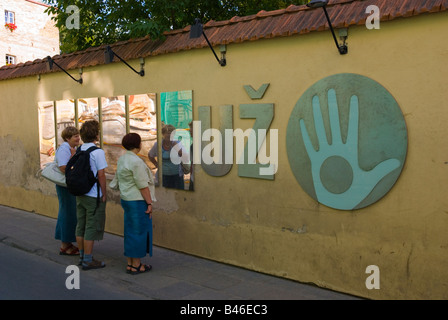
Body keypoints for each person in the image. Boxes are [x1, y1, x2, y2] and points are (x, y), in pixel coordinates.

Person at [110, 133, 156, 275]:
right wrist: (149, 203)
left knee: (130, 231)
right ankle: (136, 265)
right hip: (137, 200)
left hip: (126, 199)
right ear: (139, 144)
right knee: (139, 232)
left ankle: (130, 263)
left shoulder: (123, 159)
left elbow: (117, 180)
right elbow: (143, 185)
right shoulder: (136, 162)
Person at [75, 120, 108, 270]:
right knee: (91, 226)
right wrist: (104, 193)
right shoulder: (97, 152)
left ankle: (82, 256)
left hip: (80, 192)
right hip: (93, 195)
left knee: (81, 224)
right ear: (96, 134)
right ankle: (88, 259)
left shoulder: (80, 149)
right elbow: (101, 175)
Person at [55, 126, 81, 255]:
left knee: (69, 212)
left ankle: (67, 243)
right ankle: (64, 244)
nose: (78, 138)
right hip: (65, 185)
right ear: (67, 138)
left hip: (69, 185)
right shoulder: (65, 149)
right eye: (75, 136)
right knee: (67, 212)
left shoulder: (71, 148)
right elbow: (63, 167)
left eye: (78, 135)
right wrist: (73, 157)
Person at [148, 124, 185, 190]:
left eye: (172, 134)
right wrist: (156, 164)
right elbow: (150, 155)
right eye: (168, 134)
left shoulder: (177, 143)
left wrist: (176, 148)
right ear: (163, 134)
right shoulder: (158, 145)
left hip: (177, 176)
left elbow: (184, 157)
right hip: (164, 176)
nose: (170, 136)